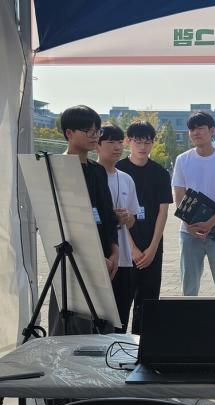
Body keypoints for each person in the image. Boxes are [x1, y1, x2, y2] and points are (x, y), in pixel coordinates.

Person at [49, 105, 118, 335]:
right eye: (88, 131)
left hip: (102, 257)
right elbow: (62, 219)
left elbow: (107, 214)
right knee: (71, 322)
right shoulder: (55, 167)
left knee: (101, 323)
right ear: (69, 133)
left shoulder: (98, 171)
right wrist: (95, 255)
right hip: (71, 255)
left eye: (97, 131)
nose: (94, 135)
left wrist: (114, 250)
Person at [172, 111, 215, 296]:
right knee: (189, 288)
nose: (196, 133)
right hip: (189, 233)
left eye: (200, 128)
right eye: (192, 129)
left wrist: (210, 224)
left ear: (212, 130)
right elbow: (179, 195)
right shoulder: (182, 160)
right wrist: (189, 224)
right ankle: (189, 316)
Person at [116, 121, 173, 334]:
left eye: (147, 142)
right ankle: (118, 344)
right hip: (124, 247)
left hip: (152, 245)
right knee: (122, 302)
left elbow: (163, 212)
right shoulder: (118, 170)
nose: (143, 147)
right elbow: (117, 214)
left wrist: (153, 249)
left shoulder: (160, 173)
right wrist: (132, 249)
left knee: (148, 303)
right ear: (128, 141)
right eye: (138, 141)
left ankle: (142, 346)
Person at [96, 124, 140, 333]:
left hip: (124, 260)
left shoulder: (126, 179)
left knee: (121, 319)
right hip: (100, 257)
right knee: (99, 320)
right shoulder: (91, 177)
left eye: (119, 142)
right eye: (110, 142)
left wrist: (128, 218)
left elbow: (133, 220)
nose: (117, 147)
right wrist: (111, 217)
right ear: (97, 145)